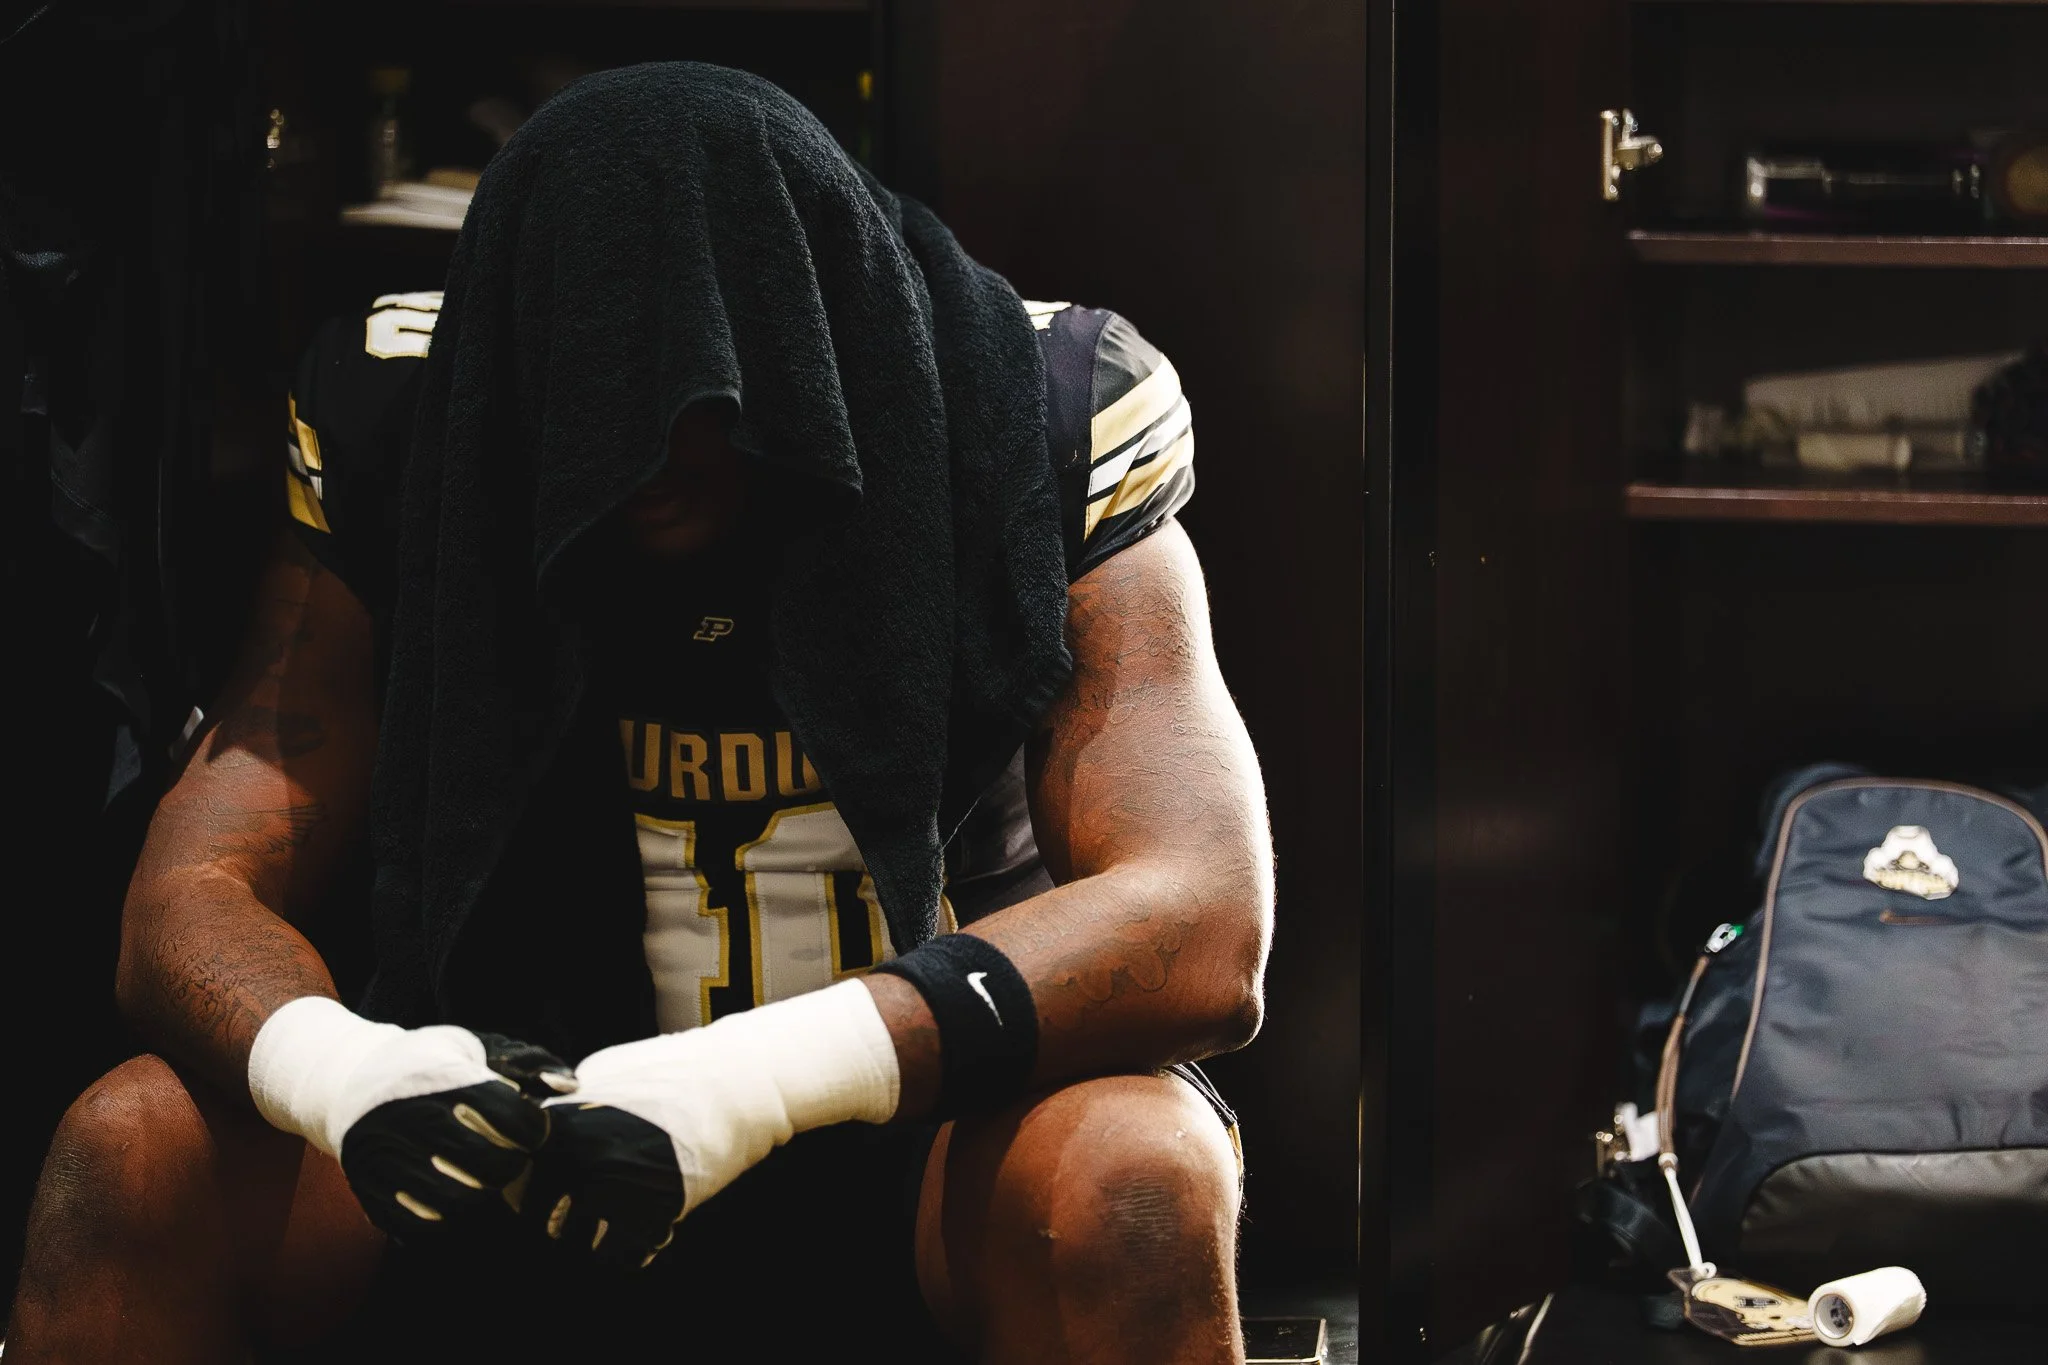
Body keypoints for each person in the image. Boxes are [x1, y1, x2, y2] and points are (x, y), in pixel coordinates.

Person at [6, 64, 1272, 1364]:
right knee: (131, 1150)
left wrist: (758, 1079)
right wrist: (351, 1076)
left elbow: (1203, 916)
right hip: (509, 1124)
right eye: (594, 401)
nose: (639, 456)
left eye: (689, 407)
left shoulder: (1023, 401)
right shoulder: (417, 406)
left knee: (1133, 1179)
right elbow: (188, 896)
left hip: (918, 1127)